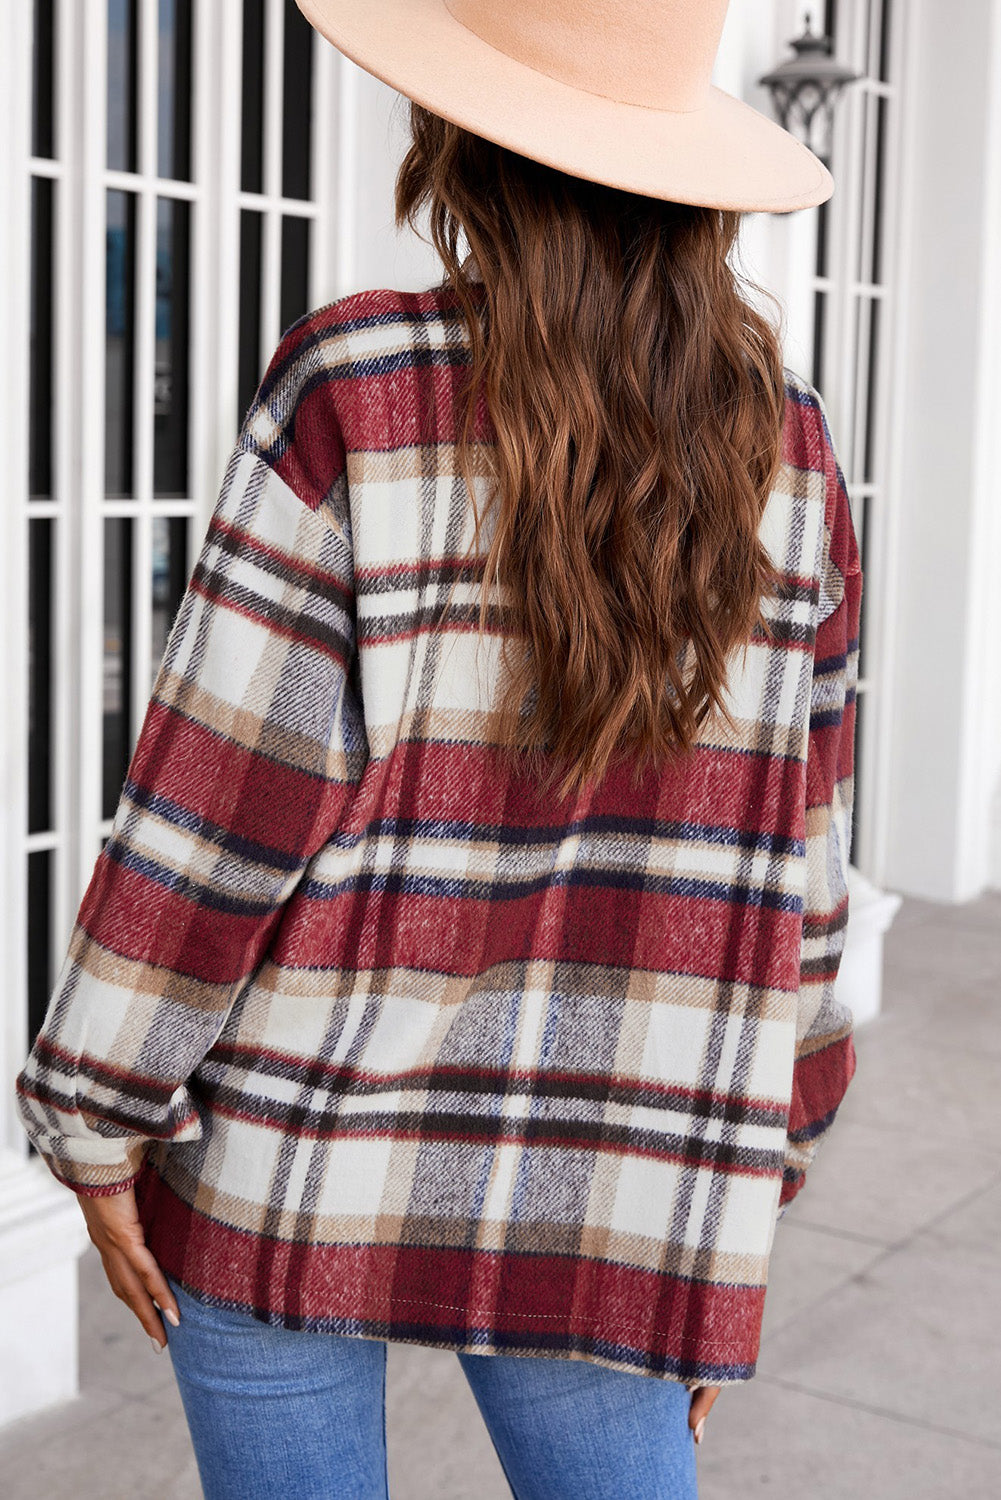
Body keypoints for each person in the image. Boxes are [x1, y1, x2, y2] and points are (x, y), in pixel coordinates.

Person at [14, 2, 862, 1497]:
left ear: (461, 138)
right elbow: (805, 858)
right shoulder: (789, 456)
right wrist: (748, 1178)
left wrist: (95, 1112)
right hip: (618, 1177)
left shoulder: (359, 390)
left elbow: (219, 813)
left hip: (300, 1149)